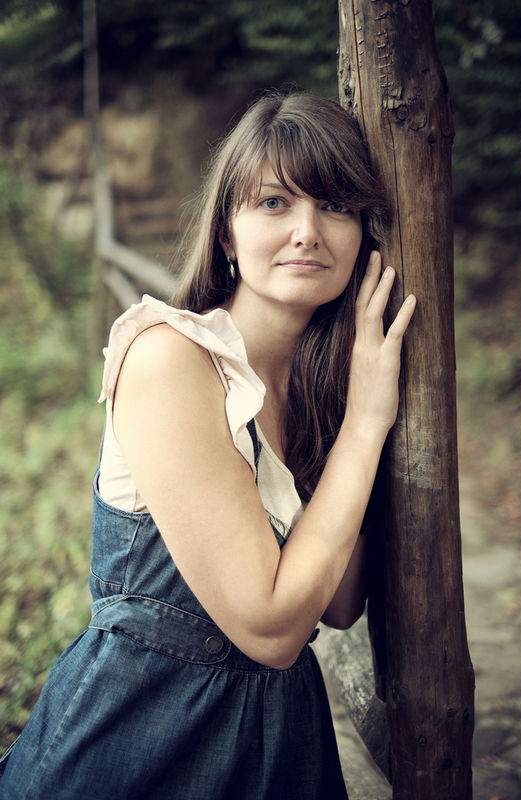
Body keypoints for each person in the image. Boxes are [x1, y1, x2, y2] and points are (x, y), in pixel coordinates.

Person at [0, 90, 416, 799]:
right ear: (226, 232)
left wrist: (352, 412)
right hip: (141, 738)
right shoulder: (171, 359)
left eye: (335, 206)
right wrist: (366, 424)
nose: (307, 232)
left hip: (280, 746)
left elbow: (339, 602)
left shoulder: (321, 389)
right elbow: (273, 628)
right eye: (274, 203)